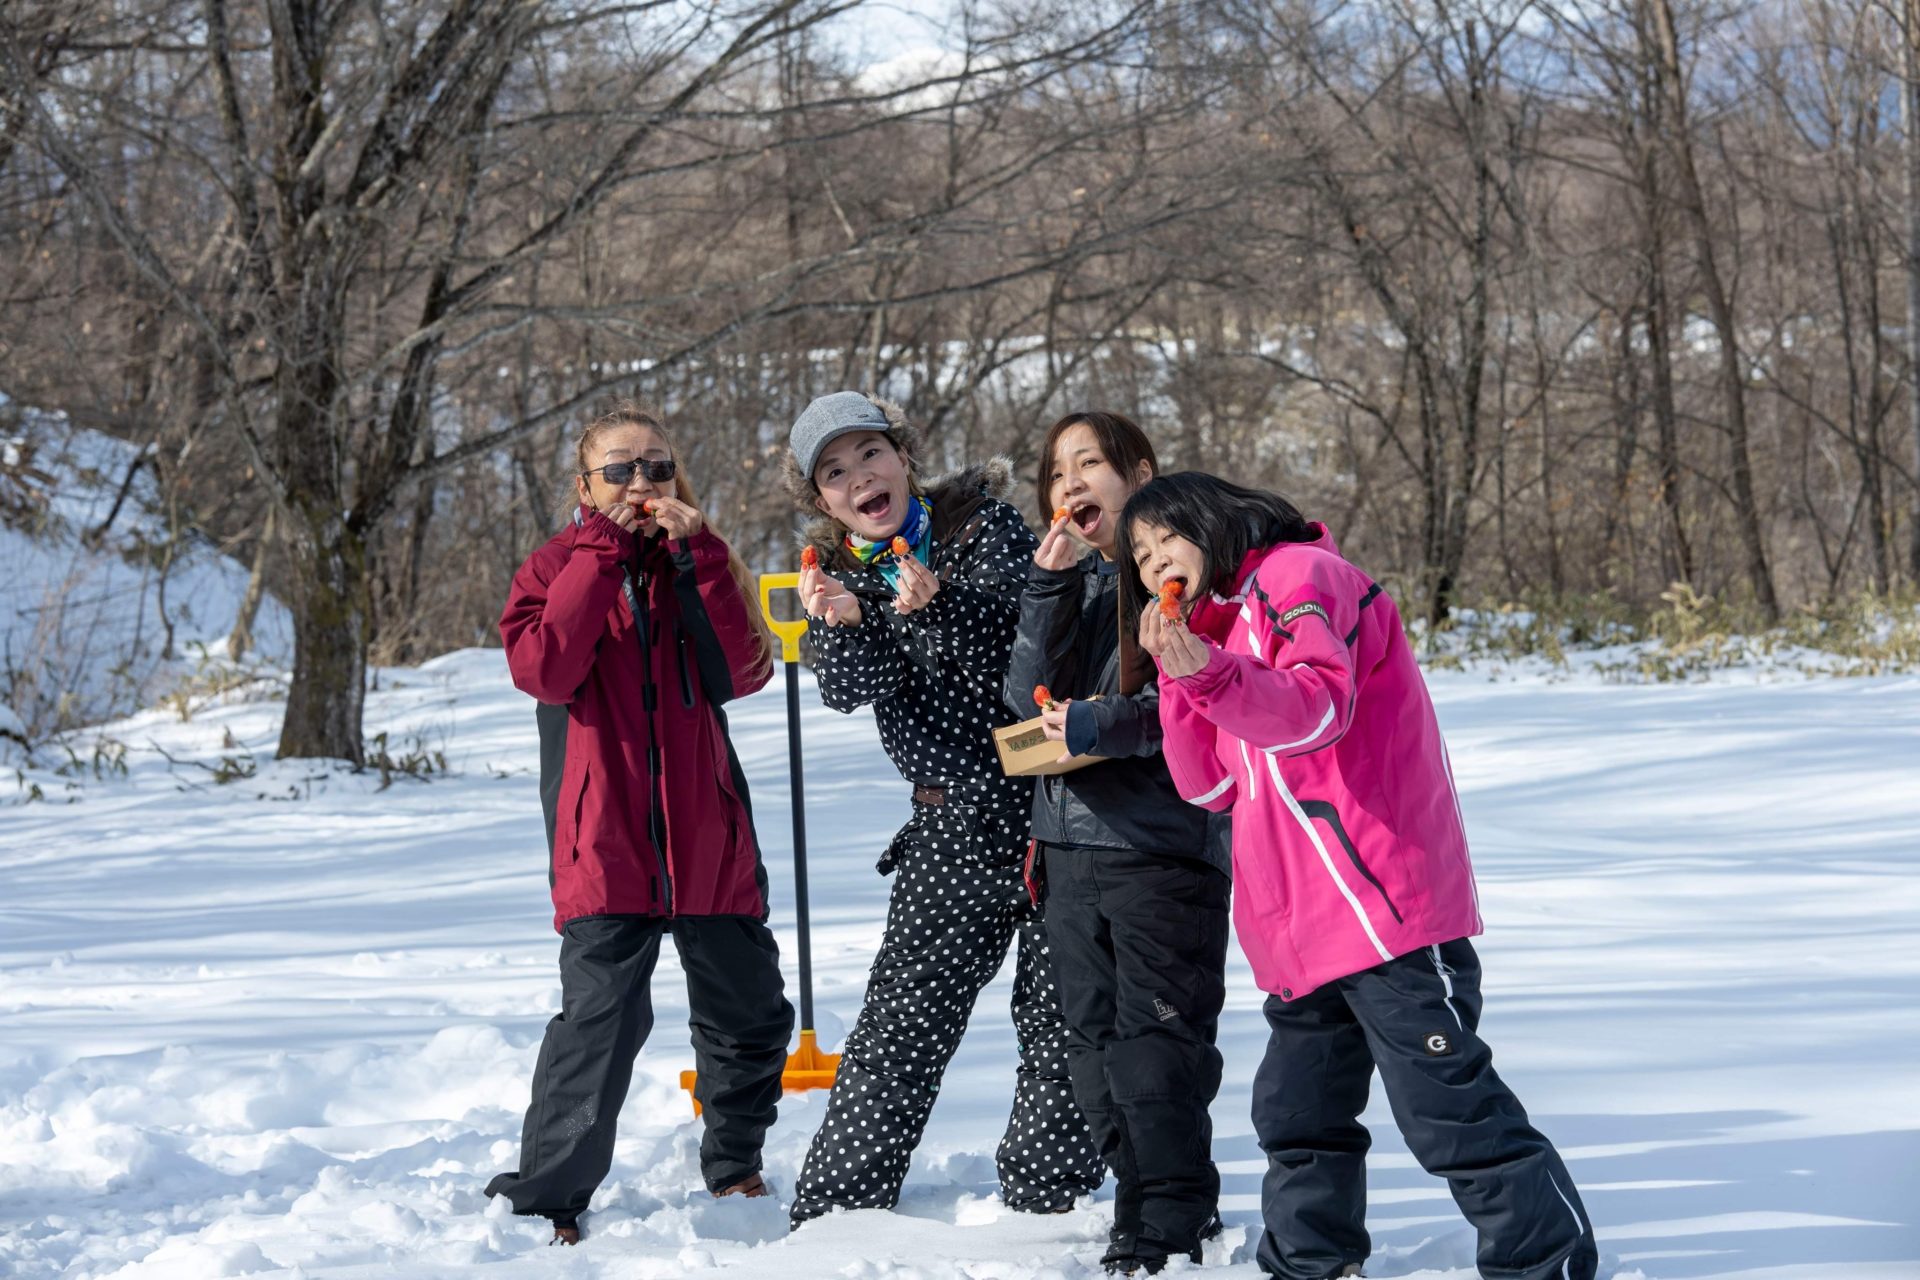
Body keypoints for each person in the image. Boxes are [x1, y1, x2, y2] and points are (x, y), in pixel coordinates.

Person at [1121, 471, 1599, 1280]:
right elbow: (1209, 786)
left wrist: (1209, 672)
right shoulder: (1222, 631)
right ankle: (1309, 1265)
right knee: (1297, 1115)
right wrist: (1178, 672)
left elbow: (1317, 708)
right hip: (1299, 933)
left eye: (1168, 536)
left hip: (1384, 912)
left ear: (1215, 521)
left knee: (1446, 1107)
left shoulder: (1300, 576)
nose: (1156, 561)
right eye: (1140, 555)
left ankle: (1544, 1262)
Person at [782, 390, 1101, 1226]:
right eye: (835, 472)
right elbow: (851, 690)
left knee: (1064, 1015)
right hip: (950, 824)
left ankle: (1048, 1201)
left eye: (870, 453)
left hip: (1053, 808)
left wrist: (939, 607)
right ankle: (835, 1214)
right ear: (823, 500)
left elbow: (1028, 651)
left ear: (904, 456)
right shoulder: (839, 574)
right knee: (901, 1023)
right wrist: (846, 623)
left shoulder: (983, 528)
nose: (860, 477)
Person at [485, 404, 795, 1245]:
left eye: (656, 466)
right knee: (601, 1025)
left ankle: (734, 1165)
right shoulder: (555, 566)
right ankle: (549, 1197)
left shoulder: (698, 558)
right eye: (619, 469)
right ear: (584, 485)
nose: (640, 483)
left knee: (750, 1014)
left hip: (707, 837)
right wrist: (600, 555)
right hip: (604, 839)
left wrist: (700, 559)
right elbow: (546, 670)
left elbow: (742, 672)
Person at [1001, 413, 1231, 1276]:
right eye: (1056, 471)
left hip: (1158, 847)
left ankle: (1164, 1221)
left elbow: (1188, 701)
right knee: (1092, 1055)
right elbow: (1026, 704)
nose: (1069, 483)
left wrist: (1096, 725)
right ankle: (1153, 1198)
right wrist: (1047, 588)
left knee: (1156, 1048)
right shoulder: (1074, 583)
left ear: (1140, 474)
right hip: (1065, 852)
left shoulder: (1185, 574)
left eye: (1089, 462)